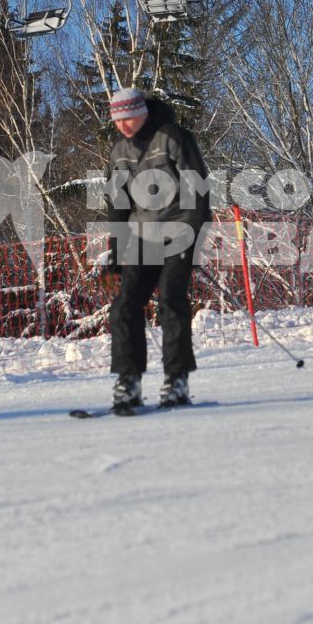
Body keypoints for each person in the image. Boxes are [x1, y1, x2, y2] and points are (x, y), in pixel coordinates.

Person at [100, 86, 211, 412]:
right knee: (124, 306)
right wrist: (117, 249)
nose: (123, 125)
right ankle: (128, 381)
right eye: (118, 120)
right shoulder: (119, 149)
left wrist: (191, 236)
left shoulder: (172, 136)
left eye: (129, 118)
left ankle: (177, 380)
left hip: (179, 230)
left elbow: (199, 191)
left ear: (143, 112)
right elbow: (117, 204)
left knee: (170, 300)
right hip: (142, 238)